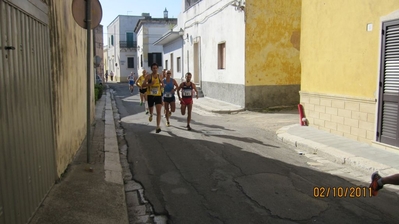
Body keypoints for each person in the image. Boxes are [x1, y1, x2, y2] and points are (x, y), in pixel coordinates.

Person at [142, 63, 164, 133]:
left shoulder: (160, 76)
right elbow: (143, 85)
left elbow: (162, 84)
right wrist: (150, 84)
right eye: (153, 68)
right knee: (151, 110)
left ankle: (158, 126)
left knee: (159, 112)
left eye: (156, 68)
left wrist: (162, 85)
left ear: (157, 69)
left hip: (158, 95)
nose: (155, 69)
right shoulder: (148, 76)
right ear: (151, 69)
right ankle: (151, 114)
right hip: (150, 95)